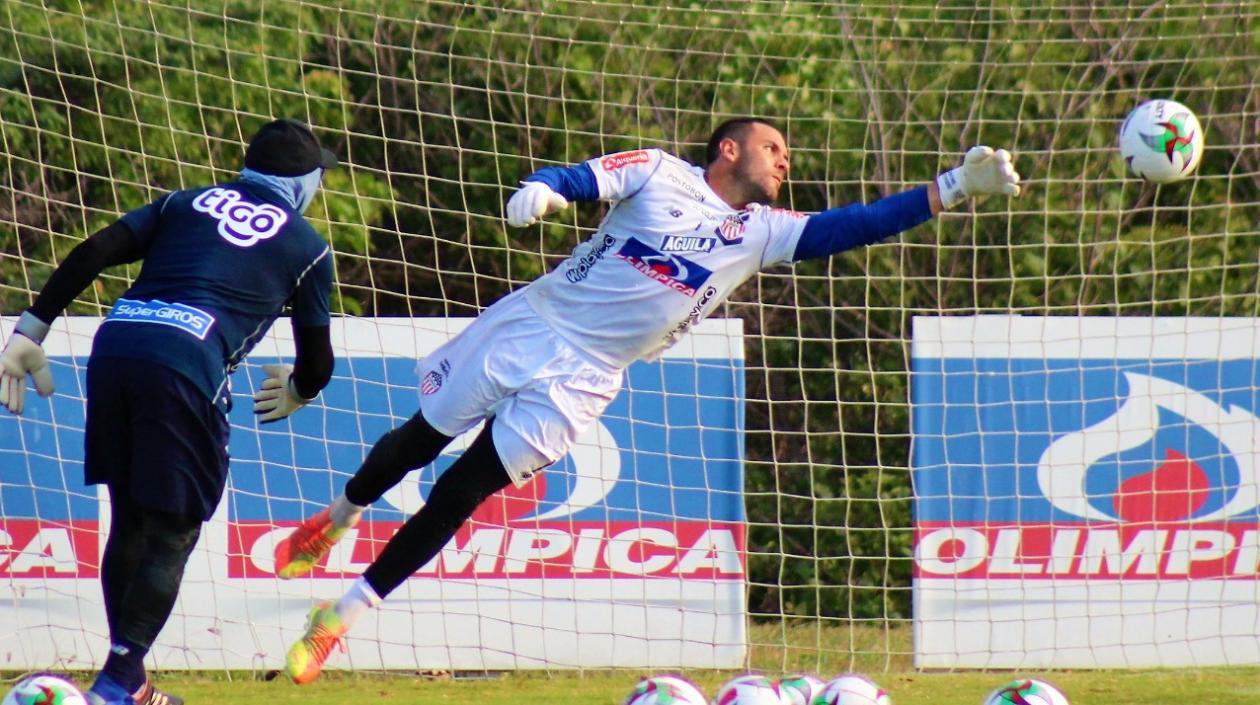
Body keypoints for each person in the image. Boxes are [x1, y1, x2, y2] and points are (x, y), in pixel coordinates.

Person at [273, 117, 1021, 684]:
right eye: (775, 148)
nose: (786, 162)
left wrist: (953, 187)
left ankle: (338, 616)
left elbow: (849, 226)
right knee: (415, 445)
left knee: (460, 493)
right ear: (730, 150)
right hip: (535, 326)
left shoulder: (761, 232)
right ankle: (337, 517)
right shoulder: (660, 172)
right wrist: (544, 188)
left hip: (588, 377)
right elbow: (583, 177)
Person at [0, 119, 340, 705]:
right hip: (186, 362)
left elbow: (96, 250)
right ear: (304, 182)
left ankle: (127, 683)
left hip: (118, 346)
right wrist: (302, 388)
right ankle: (113, 687)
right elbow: (318, 358)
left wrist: (33, 327)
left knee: (132, 518)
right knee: (172, 531)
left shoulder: (185, 202)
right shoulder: (308, 246)